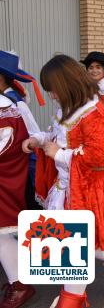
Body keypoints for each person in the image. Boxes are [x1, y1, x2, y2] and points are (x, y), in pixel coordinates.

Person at [23, 55, 104, 307]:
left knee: (80, 245)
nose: (52, 96)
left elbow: (97, 157)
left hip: (92, 189)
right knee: (73, 246)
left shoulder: (94, 113)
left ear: (68, 84)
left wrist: (57, 154)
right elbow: (58, 136)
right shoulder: (67, 109)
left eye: (54, 90)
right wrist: (39, 139)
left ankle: (73, 300)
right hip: (69, 187)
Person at [0, 94, 36, 308]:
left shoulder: (6, 111)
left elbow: (6, 149)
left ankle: (20, 283)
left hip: (5, 180)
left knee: (2, 233)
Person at [0, 51, 44, 210]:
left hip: (21, 161)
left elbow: (32, 131)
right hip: (12, 161)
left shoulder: (15, 103)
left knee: (27, 201)